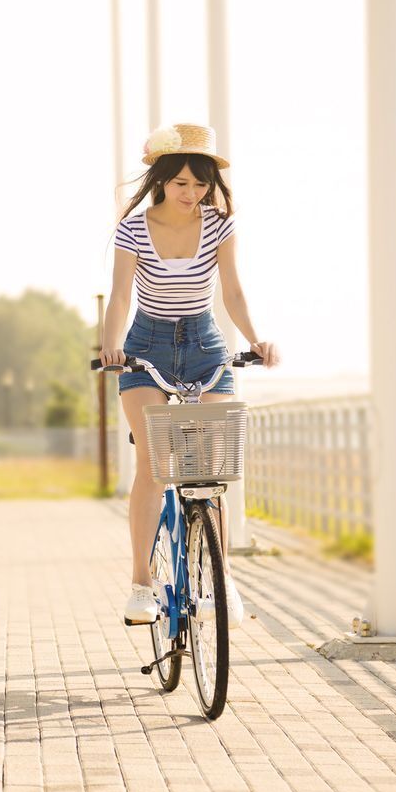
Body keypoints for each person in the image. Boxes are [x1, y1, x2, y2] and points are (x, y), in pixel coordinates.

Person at [98, 123, 280, 628]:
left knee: (209, 470)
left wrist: (256, 339)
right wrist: (111, 346)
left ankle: (223, 580)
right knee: (154, 466)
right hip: (146, 346)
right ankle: (141, 583)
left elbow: (233, 292)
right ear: (160, 179)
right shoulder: (133, 228)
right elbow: (120, 295)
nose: (192, 193)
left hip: (204, 345)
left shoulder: (219, 224)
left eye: (201, 184)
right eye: (181, 183)